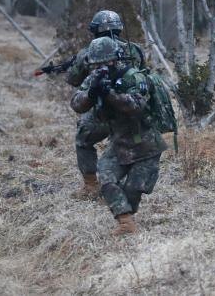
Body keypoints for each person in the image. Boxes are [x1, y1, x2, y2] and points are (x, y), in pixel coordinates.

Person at [70, 37, 166, 235]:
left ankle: (127, 216)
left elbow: (136, 107)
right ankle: (126, 224)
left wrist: (110, 94)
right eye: (96, 64)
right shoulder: (95, 78)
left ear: (115, 59)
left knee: (133, 190)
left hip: (145, 143)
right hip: (119, 141)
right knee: (106, 177)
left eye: (104, 63)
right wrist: (92, 93)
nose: (100, 68)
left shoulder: (133, 77)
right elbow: (77, 104)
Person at [67, 10, 145, 199]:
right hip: (134, 109)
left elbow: (74, 79)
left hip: (105, 110)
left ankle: (91, 185)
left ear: (95, 30)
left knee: (83, 137)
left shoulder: (88, 52)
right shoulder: (134, 49)